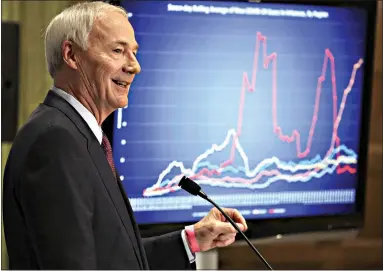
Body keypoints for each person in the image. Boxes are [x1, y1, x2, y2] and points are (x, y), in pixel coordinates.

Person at [2, 1, 248, 270]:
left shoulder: (79, 135)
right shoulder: (56, 142)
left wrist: (192, 240)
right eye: (118, 51)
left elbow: (113, 258)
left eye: (134, 52)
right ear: (71, 55)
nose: (134, 66)